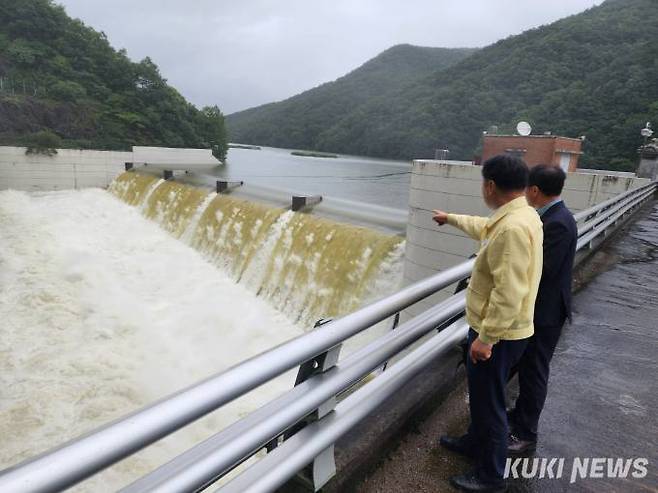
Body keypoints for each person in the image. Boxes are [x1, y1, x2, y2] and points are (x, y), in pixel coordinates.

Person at [433, 155, 543, 492]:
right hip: (506, 330)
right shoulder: (522, 215)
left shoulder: (511, 228)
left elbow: (509, 291)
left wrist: (486, 338)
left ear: (490, 185)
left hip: (499, 334)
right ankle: (472, 443)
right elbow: (483, 227)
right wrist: (450, 218)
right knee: (482, 398)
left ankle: (491, 477)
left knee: (490, 404)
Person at [507, 164, 577, 453]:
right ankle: (519, 416)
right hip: (542, 309)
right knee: (527, 368)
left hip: (545, 313)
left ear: (534, 190)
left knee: (534, 371)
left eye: (526, 188)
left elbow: (543, 269)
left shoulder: (557, 223)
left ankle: (526, 433)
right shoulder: (553, 217)